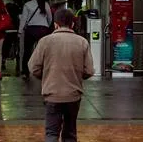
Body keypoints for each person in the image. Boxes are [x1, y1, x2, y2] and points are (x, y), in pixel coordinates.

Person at [28, 9, 94, 142]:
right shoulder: (82, 42)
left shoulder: (44, 41)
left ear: (55, 24)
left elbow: (33, 68)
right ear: (73, 25)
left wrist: (47, 76)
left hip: (52, 95)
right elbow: (89, 71)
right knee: (70, 134)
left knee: (52, 133)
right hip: (73, 96)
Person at [19, 0, 52, 81]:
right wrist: (46, 26)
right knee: (44, 52)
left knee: (27, 51)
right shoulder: (45, 4)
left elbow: (23, 19)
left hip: (31, 29)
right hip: (43, 30)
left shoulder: (27, 5)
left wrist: (20, 31)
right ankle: (45, 71)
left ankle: (26, 72)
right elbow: (50, 18)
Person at [2, 0, 23, 75]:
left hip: (8, 29)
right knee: (18, 47)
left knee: (6, 46)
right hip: (18, 30)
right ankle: (18, 64)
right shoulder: (23, 7)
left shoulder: (8, 6)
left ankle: (3, 62)